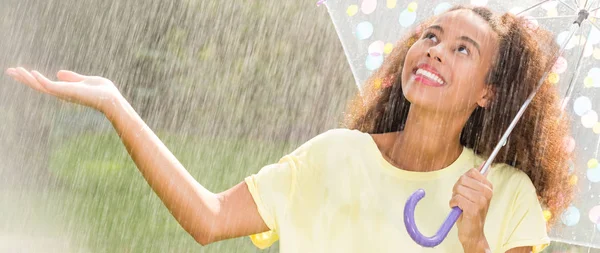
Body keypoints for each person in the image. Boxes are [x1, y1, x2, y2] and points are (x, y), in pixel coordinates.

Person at [5, 5, 574, 253]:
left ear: (487, 94)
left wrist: (475, 241)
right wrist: (116, 105)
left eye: (462, 48)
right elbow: (209, 219)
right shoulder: (334, 156)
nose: (435, 51)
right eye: (430, 35)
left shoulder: (504, 197)